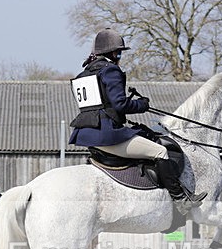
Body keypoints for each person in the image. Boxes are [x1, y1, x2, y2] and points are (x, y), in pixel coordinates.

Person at [68, 28, 205, 213]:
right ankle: (180, 199)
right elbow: (119, 105)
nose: (119, 56)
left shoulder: (83, 75)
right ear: (112, 52)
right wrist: (141, 104)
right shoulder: (110, 70)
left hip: (86, 135)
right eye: (119, 52)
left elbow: (100, 107)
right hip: (107, 135)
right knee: (160, 151)